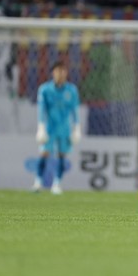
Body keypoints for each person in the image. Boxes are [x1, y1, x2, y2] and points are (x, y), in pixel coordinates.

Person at [33, 61, 81, 194]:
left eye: (63, 70)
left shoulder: (72, 90)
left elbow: (75, 110)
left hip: (64, 127)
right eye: (58, 70)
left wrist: (77, 128)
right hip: (50, 126)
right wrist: (41, 126)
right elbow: (41, 109)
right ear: (53, 72)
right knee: (44, 154)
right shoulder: (45, 89)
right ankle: (37, 183)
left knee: (62, 156)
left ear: (66, 72)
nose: (61, 73)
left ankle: (57, 184)